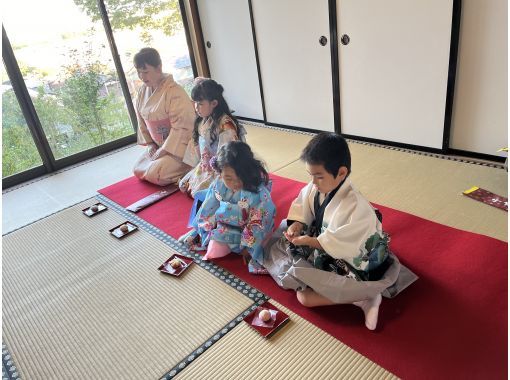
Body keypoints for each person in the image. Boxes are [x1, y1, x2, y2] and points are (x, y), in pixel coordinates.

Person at [262, 132, 403, 331]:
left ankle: (366, 296)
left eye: (319, 176)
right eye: (310, 176)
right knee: (283, 232)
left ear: (342, 172)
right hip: (325, 244)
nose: (313, 182)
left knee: (304, 298)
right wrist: (298, 225)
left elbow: (346, 244)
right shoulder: (317, 186)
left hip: (352, 261)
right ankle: (360, 298)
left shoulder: (355, 205)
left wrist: (308, 242)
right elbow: (303, 206)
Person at [179, 141, 275, 268]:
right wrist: (204, 226)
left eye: (240, 177)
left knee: (220, 245)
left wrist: (249, 246)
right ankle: (199, 233)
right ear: (220, 173)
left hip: (247, 228)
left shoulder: (257, 193)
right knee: (211, 237)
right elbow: (208, 207)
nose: (235, 183)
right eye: (228, 178)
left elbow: (260, 221)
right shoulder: (218, 183)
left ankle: (236, 244)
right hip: (223, 223)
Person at [132, 47, 196, 186]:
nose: (142, 77)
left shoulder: (174, 92)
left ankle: (190, 167)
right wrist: (150, 144)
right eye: (139, 72)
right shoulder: (143, 91)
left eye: (146, 71)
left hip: (179, 149)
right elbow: (141, 120)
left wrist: (164, 150)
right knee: (138, 168)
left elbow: (182, 127)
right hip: (158, 145)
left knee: (157, 174)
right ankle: (164, 161)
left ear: (159, 67)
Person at [179, 78, 246, 198]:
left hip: (223, 167)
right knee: (184, 185)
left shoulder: (225, 124)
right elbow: (199, 147)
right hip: (207, 165)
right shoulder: (203, 120)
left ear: (214, 103)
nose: (196, 107)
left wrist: (218, 169)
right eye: (195, 103)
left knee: (212, 193)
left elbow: (228, 155)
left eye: (200, 103)